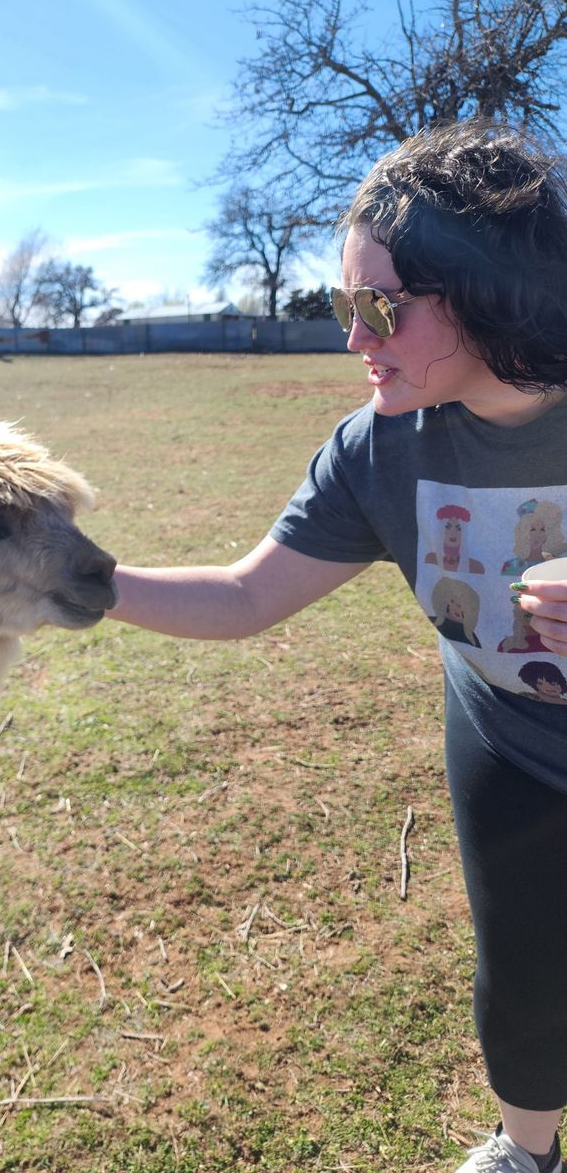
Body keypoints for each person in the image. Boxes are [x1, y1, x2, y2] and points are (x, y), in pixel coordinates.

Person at [107, 118, 567, 1173]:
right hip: (510, 747)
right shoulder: (374, 452)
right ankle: (526, 1150)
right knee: (527, 971)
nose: (352, 339)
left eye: (381, 309)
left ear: (488, 293)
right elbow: (242, 594)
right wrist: (84, 586)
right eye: (340, 306)